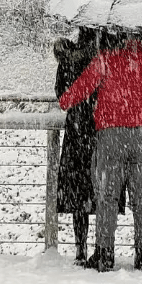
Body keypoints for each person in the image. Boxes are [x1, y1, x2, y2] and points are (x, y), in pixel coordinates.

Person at [58, 26, 142, 273]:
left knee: (107, 197)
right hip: (140, 136)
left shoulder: (105, 60)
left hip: (110, 136)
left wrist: (65, 100)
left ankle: (105, 254)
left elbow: (77, 92)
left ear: (122, 35)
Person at [54, 30, 98, 264]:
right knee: (100, 190)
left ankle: (80, 247)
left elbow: (60, 94)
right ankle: (102, 247)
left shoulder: (68, 58)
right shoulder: (103, 56)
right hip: (99, 128)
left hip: (75, 129)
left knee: (77, 193)